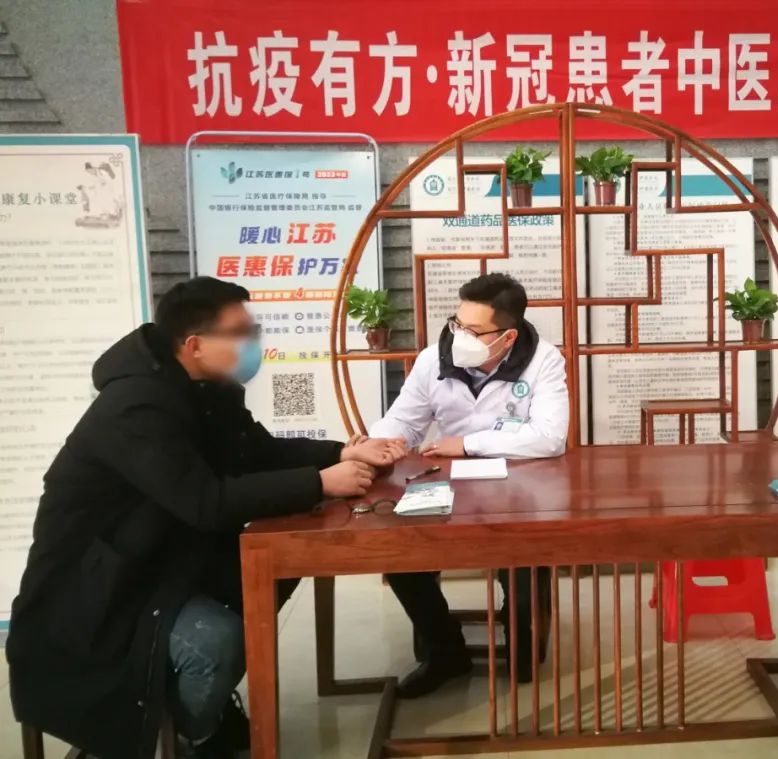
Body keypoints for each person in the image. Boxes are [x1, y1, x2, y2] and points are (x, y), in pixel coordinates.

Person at [6, 277, 406, 759]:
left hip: (162, 558)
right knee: (217, 641)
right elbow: (204, 501)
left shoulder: (206, 389)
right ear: (195, 344)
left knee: (280, 567)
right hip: (100, 590)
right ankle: (180, 737)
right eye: (241, 333)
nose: (253, 343)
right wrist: (320, 483)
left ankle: (199, 722)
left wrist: (343, 452)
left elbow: (257, 451)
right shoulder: (134, 407)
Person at [368, 272, 569, 698]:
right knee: (401, 558)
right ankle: (445, 651)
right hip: (448, 486)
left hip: (518, 489)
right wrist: (380, 442)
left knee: (522, 576)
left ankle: (519, 631)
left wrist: (467, 444)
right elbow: (404, 419)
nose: (460, 336)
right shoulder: (432, 359)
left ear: (508, 337)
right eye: (457, 324)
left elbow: (550, 437)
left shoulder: (543, 360)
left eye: (474, 331)